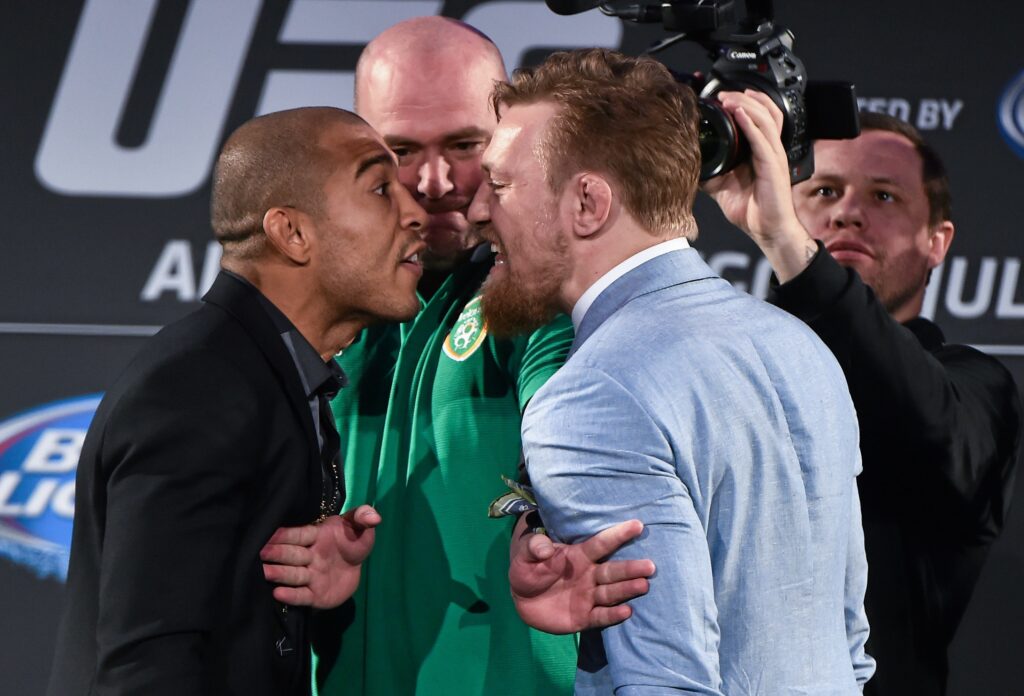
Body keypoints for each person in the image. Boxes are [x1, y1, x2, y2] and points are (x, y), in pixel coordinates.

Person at [259, 17, 650, 696]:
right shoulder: (318, 311)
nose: (435, 180)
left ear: (506, 136)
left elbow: (574, 429)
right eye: (401, 149)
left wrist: (540, 519)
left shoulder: (543, 293)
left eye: (465, 145)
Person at [471, 48, 874, 694]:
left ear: (588, 203)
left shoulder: (592, 397)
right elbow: (848, 649)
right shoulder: (799, 345)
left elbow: (666, 684)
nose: (476, 211)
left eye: (499, 186)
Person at [46, 106, 427, 696]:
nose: (417, 213)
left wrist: (315, 590)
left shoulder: (273, 372)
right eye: (380, 189)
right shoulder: (199, 387)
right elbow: (148, 663)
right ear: (292, 233)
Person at [703, 90, 1023, 695]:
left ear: (937, 241)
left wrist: (791, 246)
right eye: (824, 191)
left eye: (884, 196)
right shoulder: (724, 374)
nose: (848, 213)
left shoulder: (977, 388)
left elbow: (927, 424)